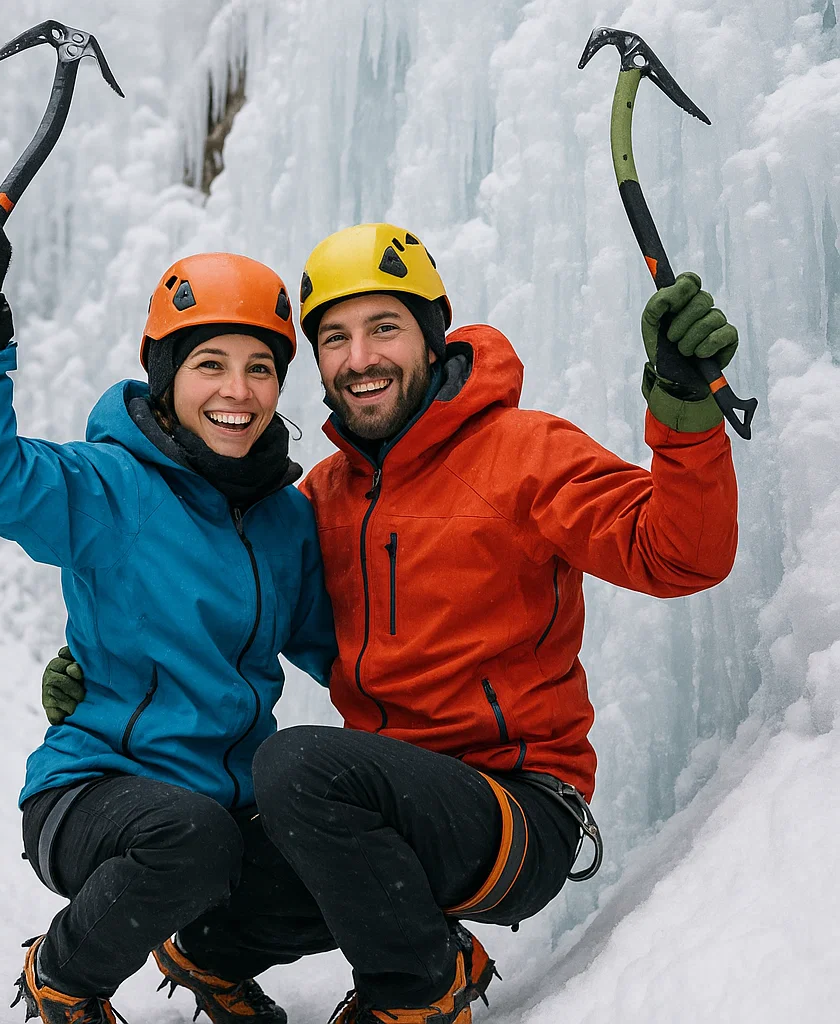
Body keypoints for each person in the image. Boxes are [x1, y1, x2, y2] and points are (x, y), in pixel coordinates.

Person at [43, 222, 740, 1024]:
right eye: (334, 338)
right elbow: (232, 615)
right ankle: (210, 952)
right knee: (221, 838)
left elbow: (681, 556)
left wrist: (684, 412)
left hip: (518, 808)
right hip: (387, 816)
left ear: (431, 337)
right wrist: (103, 675)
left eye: (384, 328)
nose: (359, 358)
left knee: (296, 765)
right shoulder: (321, 500)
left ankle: (415, 994)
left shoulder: (524, 451)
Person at [0, 206, 337, 1024]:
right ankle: (64, 976)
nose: (237, 390)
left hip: (221, 813)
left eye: (261, 368)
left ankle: (208, 958)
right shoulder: (108, 488)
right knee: (191, 838)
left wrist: (439, 766)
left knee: (348, 850)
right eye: (209, 363)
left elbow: (348, 654)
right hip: (91, 796)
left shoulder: (285, 520)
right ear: (165, 374)